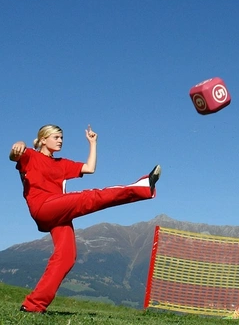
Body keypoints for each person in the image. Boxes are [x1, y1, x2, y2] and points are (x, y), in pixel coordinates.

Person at [9, 124, 161, 313]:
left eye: (62, 138)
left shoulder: (62, 164)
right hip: (43, 206)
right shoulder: (30, 155)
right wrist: (19, 144)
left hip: (58, 212)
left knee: (67, 256)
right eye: (56, 137)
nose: (60, 141)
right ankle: (142, 186)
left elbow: (89, 168)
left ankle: (33, 305)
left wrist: (93, 143)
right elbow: (15, 156)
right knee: (90, 197)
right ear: (43, 140)